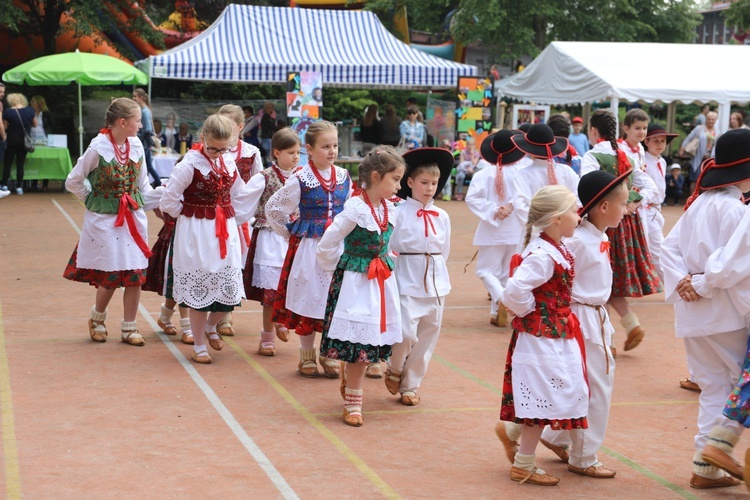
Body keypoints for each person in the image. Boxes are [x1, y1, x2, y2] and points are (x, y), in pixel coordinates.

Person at [517, 169, 628, 481]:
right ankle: (583, 455)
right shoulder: (579, 240)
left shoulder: (598, 236)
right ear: (603, 207)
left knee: (583, 385)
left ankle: (556, 438)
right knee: (596, 387)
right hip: (580, 317)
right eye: (623, 202)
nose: (628, 207)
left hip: (592, 315)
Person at [660, 128, 750, 489]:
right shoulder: (734, 209)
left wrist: (685, 282)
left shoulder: (699, 203)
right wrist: (701, 283)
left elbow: (667, 249)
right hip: (725, 312)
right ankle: (715, 451)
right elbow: (731, 265)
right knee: (736, 387)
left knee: (713, 386)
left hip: (693, 313)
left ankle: (705, 466)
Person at [495, 185, 588, 486]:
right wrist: (530, 312)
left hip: (553, 335)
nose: (578, 216)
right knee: (540, 399)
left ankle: (517, 446)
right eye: (574, 211)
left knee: (549, 395)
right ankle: (523, 464)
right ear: (557, 219)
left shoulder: (554, 248)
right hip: (540, 337)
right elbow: (514, 290)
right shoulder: (542, 255)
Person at [316, 145, 405, 426]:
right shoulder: (355, 209)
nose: (399, 185)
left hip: (379, 283)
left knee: (370, 344)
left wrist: (388, 258)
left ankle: (352, 386)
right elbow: (328, 241)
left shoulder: (390, 209)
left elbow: (391, 244)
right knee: (357, 344)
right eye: (396, 179)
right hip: (356, 283)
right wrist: (338, 266)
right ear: (377, 177)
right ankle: (353, 401)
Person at [159, 114, 256, 364]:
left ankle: (212, 327)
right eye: (213, 147)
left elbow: (239, 192)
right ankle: (199, 344)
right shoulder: (189, 164)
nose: (217, 153)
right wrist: (191, 215)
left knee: (229, 286)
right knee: (200, 287)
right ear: (202, 138)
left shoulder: (228, 162)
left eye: (224, 149)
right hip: (197, 233)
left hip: (224, 230)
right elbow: (168, 200)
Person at [62, 97, 157, 346]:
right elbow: (73, 180)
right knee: (111, 274)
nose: (140, 125)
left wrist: (159, 203)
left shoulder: (136, 146)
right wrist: (95, 199)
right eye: (137, 120)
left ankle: (129, 327)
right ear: (123, 122)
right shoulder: (97, 148)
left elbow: (143, 184)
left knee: (135, 273)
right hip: (105, 221)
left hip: (133, 219)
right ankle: (98, 318)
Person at [266, 121, 351, 378]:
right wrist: (293, 233)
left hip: (336, 247)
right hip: (309, 249)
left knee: (332, 298)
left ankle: (328, 353)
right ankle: (306, 355)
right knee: (309, 296)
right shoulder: (301, 178)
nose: (332, 151)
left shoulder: (344, 176)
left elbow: (348, 211)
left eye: (335, 145)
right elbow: (274, 209)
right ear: (309, 149)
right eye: (325, 146)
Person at [581, 109, 661, 353]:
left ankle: (608, 337)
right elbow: (651, 187)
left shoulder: (593, 156)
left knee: (595, 279)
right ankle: (629, 323)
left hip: (603, 223)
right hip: (627, 224)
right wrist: (633, 203)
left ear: (593, 131)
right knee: (610, 279)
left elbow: (585, 189)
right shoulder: (626, 155)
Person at [386, 147, 453, 407]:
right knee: (404, 332)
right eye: (424, 183)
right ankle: (394, 365)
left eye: (434, 184)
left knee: (428, 336)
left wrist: (435, 272)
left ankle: (410, 386)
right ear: (410, 182)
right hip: (406, 278)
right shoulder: (399, 212)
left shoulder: (442, 216)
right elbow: (389, 245)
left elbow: (444, 250)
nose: (429, 188)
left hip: (436, 283)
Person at [241, 127, 300, 356]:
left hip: (293, 237)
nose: (295, 157)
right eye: (290, 152)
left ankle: (283, 321)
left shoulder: (301, 177)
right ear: (276, 152)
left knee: (289, 285)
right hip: (269, 237)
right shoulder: (263, 177)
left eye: (297, 153)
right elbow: (244, 200)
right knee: (270, 292)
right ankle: (267, 337)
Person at [465, 130, 525, 327]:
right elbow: (525, 196)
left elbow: (471, 198)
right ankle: (495, 311)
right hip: (515, 227)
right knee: (506, 272)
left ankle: (501, 299)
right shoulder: (522, 172)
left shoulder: (484, 173)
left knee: (485, 270)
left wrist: (494, 211)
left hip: (493, 229)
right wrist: (509, 207)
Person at [214, 104, 264, 337]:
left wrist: (250, 213)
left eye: (229, 124)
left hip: (240, 217)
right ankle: (181, 311)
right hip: (214, 216)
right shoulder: (213, 150)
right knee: (212, 264)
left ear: (240, 127)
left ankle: (226, 315)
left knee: (235, 266)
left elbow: (259, 184)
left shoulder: (251, 152)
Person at [142, 154, 194, 346]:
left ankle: (164, 318)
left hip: (193, 240)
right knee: (180, 280)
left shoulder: (199, 192)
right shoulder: (166, 189)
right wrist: (161, 214)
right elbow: (144, 201)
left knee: (181, 281)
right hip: (172, 241)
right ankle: (187, 327)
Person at [510, 123, 580, 226]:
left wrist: (541, 224)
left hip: (535, 232)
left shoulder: (522, 175)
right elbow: (578, 200)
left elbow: (521, 206)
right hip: (563, 230)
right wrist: (563, 219)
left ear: (530, 150)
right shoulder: (566, 171)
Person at [641, 124, 678, 280]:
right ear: (646, 141)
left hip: (657, 209)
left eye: (663, 141)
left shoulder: (662, 161)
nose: (660, 144)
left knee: (657, 248)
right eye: (655, 141)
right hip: (646, 208)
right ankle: (673, 284)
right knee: (658, 250)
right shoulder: (642, 161)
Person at [1, 93, 36, 195]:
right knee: (20, 164)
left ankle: (4, 185)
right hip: (24, 141)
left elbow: (5, 127)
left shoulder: (8, 112)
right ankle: (19, 186)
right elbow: (35, 124)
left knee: (8, 163)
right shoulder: (30, 111)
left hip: (11, 140)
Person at [679, 110, 720, 198]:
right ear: (705, 119)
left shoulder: (717, 131)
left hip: (710, 159)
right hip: (698, 158)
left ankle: (702, 199)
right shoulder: (699, 128)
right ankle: (692, 198)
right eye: (709, 119)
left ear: (716, 120)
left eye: (713, 119)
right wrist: (682, 149)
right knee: (695, 179)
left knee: (707, 180)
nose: (710, 121)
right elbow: (689, 138)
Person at [132, 88, 161, 188]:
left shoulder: (144, 111)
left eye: (135, 96)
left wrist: (138, 135)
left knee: (145, 166)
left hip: (144, 143)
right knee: (148, 166)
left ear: (140, 98)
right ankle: (156, 184)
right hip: (146, 143)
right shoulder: (146, 110)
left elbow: (148, 129)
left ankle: (155, 184)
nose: (133, 98)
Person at [29, 95, 53, 192]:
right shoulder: (30, 112)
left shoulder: (47, 113)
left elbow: (52, 125)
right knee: (34, 161)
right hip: (31, 139)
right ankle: (34, 183)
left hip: (44, 139)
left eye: (33, 101)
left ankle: (45, 184)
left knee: (44, 161)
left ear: (39, 103)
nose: (31, 103)